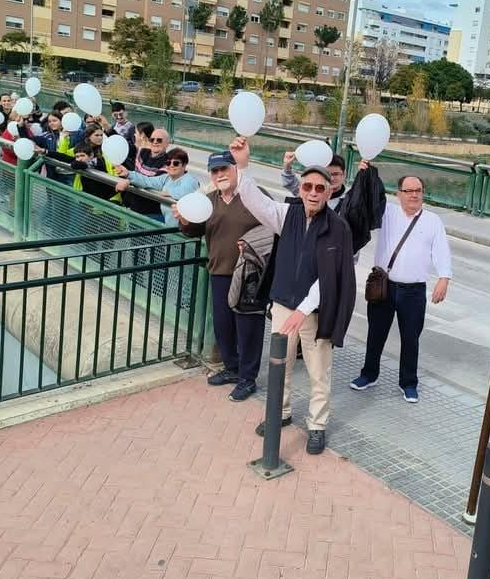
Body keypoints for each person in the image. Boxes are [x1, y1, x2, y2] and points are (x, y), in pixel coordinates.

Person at [231, 136, 356, 454]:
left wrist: (304, 308)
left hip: (316, 313)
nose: (313, 192)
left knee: (318, 372)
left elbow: (331, 277)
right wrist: (243, 165)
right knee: (279, 365)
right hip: (284, 306)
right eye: (307, 187)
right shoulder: (288, 215)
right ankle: (281, 412)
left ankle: (317, 425)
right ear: (300, 189)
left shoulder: (338, 228)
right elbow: (256, 202)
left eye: (319, 188)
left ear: (329, 192)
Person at [349, 174, 452, 403]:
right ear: (399, 194)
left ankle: (408, 383)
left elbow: (441, 251)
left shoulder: (433, 221)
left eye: (418, 190)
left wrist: (444, 278)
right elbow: (364, 200)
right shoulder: (388, 213)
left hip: (414, 291)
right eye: (408, 191)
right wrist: (364, 171)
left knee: (411, 338)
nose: (414, 195)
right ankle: (369, 374)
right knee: (376, 333)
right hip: (384, 286)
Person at [174, 150, 267, 403]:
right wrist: (183, 220)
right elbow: (194, 229)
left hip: (249, 275)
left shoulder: (252, 196)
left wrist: (254, 247)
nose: (219, 174)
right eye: (214, 171)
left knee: (248, 327)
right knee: (223, 326)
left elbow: (274, 225)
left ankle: (248, 378)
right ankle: (232, 368)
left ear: (236, 169)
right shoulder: (209, 199)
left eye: (224, 168)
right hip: (220, 271)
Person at [115, 147, 199, 225]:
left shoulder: (190, 179)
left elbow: (185, 192)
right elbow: (147, 181)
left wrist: (168, 193)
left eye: (176, 163)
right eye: (168, 163)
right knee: (140, 221)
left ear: (184, 165)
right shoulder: (166, 177)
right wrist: (128, 174)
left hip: (184, 229)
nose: (171, 165)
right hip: (169, 224)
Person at [125, 126, 170, 219]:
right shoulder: (142, 152)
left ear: (167, 143)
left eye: (159, 140)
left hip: (152, 212)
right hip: (133, 207)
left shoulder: (169, 162)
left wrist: (129, 177)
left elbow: (151, 182)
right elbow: (122, 147)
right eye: (152, 139)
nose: (155, 142)